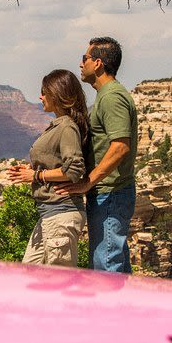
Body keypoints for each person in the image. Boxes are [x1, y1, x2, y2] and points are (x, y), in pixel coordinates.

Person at [56, 37, 138, 273]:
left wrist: (89, 181)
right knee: (114, 263)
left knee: (106, 265)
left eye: (85, 58)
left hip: (110, 193)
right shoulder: (107, 95)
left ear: (99, 63)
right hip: (107, 193)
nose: (81, 64)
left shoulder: (112, 97)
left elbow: (120, 146)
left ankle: (108, 310)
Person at [7, 69, 88, 267]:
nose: (40, 97)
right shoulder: (58, 125)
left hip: (61, 214)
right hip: (49, 214)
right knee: (29, 273)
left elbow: (74, 169)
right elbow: (58, 163)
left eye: (44, 92)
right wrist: (32, 170)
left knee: (59, 284)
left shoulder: (67, 127)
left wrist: (36, 175)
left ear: (56, 94)